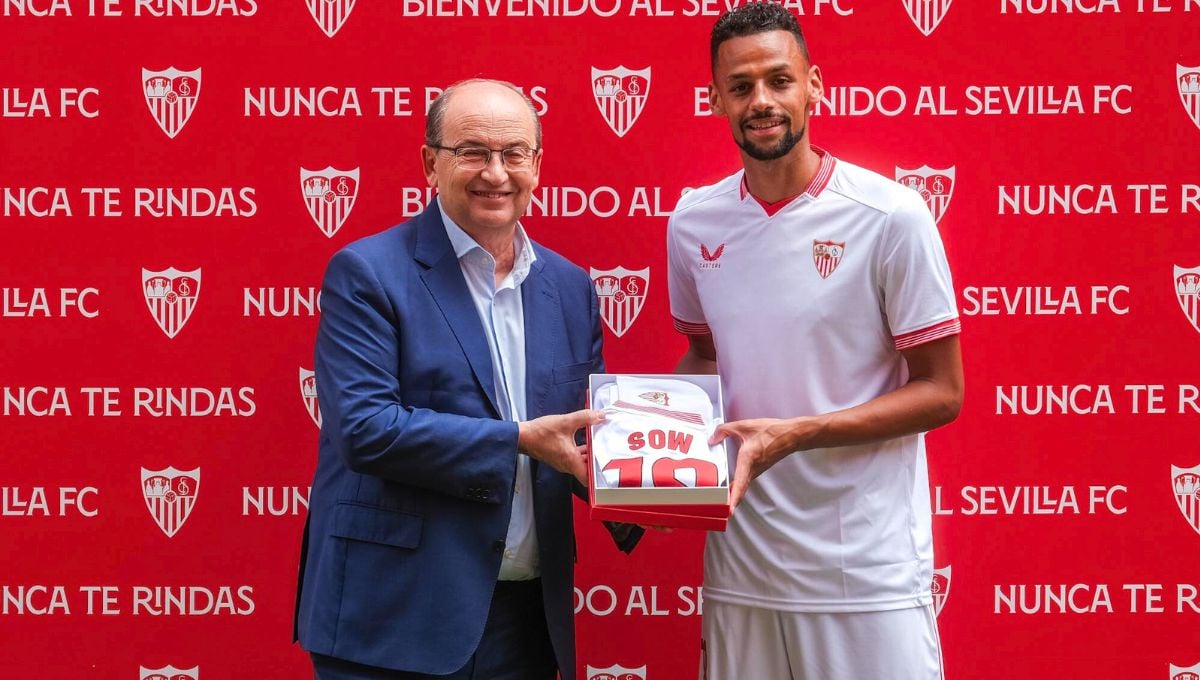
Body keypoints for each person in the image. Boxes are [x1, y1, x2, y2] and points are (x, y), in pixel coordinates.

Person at [295, 78, 640, 680]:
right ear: (431, 164)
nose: (496, 173)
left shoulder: (570, 288)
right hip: (395, 618)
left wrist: (650, 491)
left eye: (513, 154)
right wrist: (519, 440)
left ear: (537, 165)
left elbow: (581, 439)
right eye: (473, 152)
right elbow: (365, 429)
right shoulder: (367, 273)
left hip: (525, 625)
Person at [666, 4, 964, 679]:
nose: (761, 102)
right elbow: (705, 358)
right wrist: (657, 463)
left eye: (779, 80)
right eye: (740, 86)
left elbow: (942, 392)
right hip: (741, 562)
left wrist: (796, 434)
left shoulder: (890, 216)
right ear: (715, 99)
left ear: (814, 85)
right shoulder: (692, 222)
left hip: (865, 569)